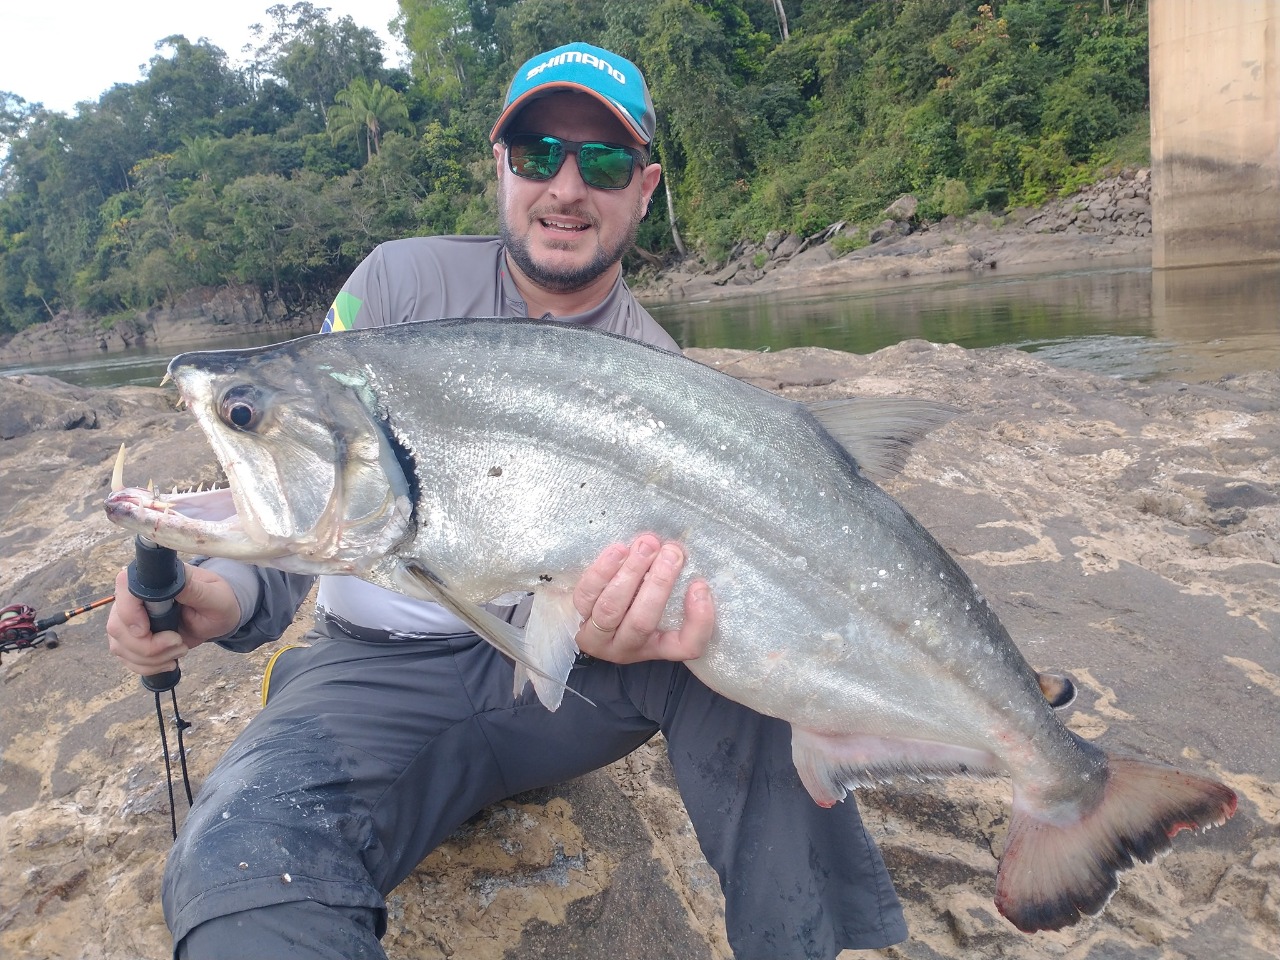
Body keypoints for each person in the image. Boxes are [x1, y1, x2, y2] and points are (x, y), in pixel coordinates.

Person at [107, 42, 907, 960]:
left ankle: (812, 942)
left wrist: (633, 625)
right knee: (244, 859)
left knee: (748, 672)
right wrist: (226, 595)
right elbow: (319, 490)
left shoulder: (660, 377)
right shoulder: (395, 286)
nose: (567, 186)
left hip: (566, 690)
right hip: (370, 676)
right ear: (502, 167)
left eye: (601, 162)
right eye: (538, 153)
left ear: (642, 188)